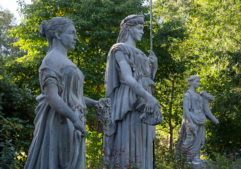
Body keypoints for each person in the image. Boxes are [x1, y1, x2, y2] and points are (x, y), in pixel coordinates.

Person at [24, 17, 100, 169]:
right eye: (72, 33)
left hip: (73, 121)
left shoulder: (65, 60)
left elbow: (71, 96)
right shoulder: (50, 60)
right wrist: (74, 119)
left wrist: (94, 103)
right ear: (58, 35)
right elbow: (52, 96)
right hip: (60, 121)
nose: (76, 37)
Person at [104, 15, 161, 169]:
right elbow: (128, 78)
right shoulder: (119, 49)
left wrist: (153, 68)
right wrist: (148, 96)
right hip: (128, 99)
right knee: (129, 136)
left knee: (143, 140)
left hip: (144, 100)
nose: (142, 32)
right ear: (128, 28)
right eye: (139, 28)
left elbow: (146, 80)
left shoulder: (142, 54)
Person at [177, 75, 219, 163]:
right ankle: (186, 158)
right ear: (191, 82)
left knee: (199, 141)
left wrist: (206, 96)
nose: (198, 83)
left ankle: (195, 157)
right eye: (197, 81)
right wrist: (190, 122)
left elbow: (206, 107)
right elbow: (186, 111)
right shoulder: (187, 95)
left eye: (199, 82)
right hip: (192, 119)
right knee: (191, 139)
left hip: (200, 119)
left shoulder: (199, 95)